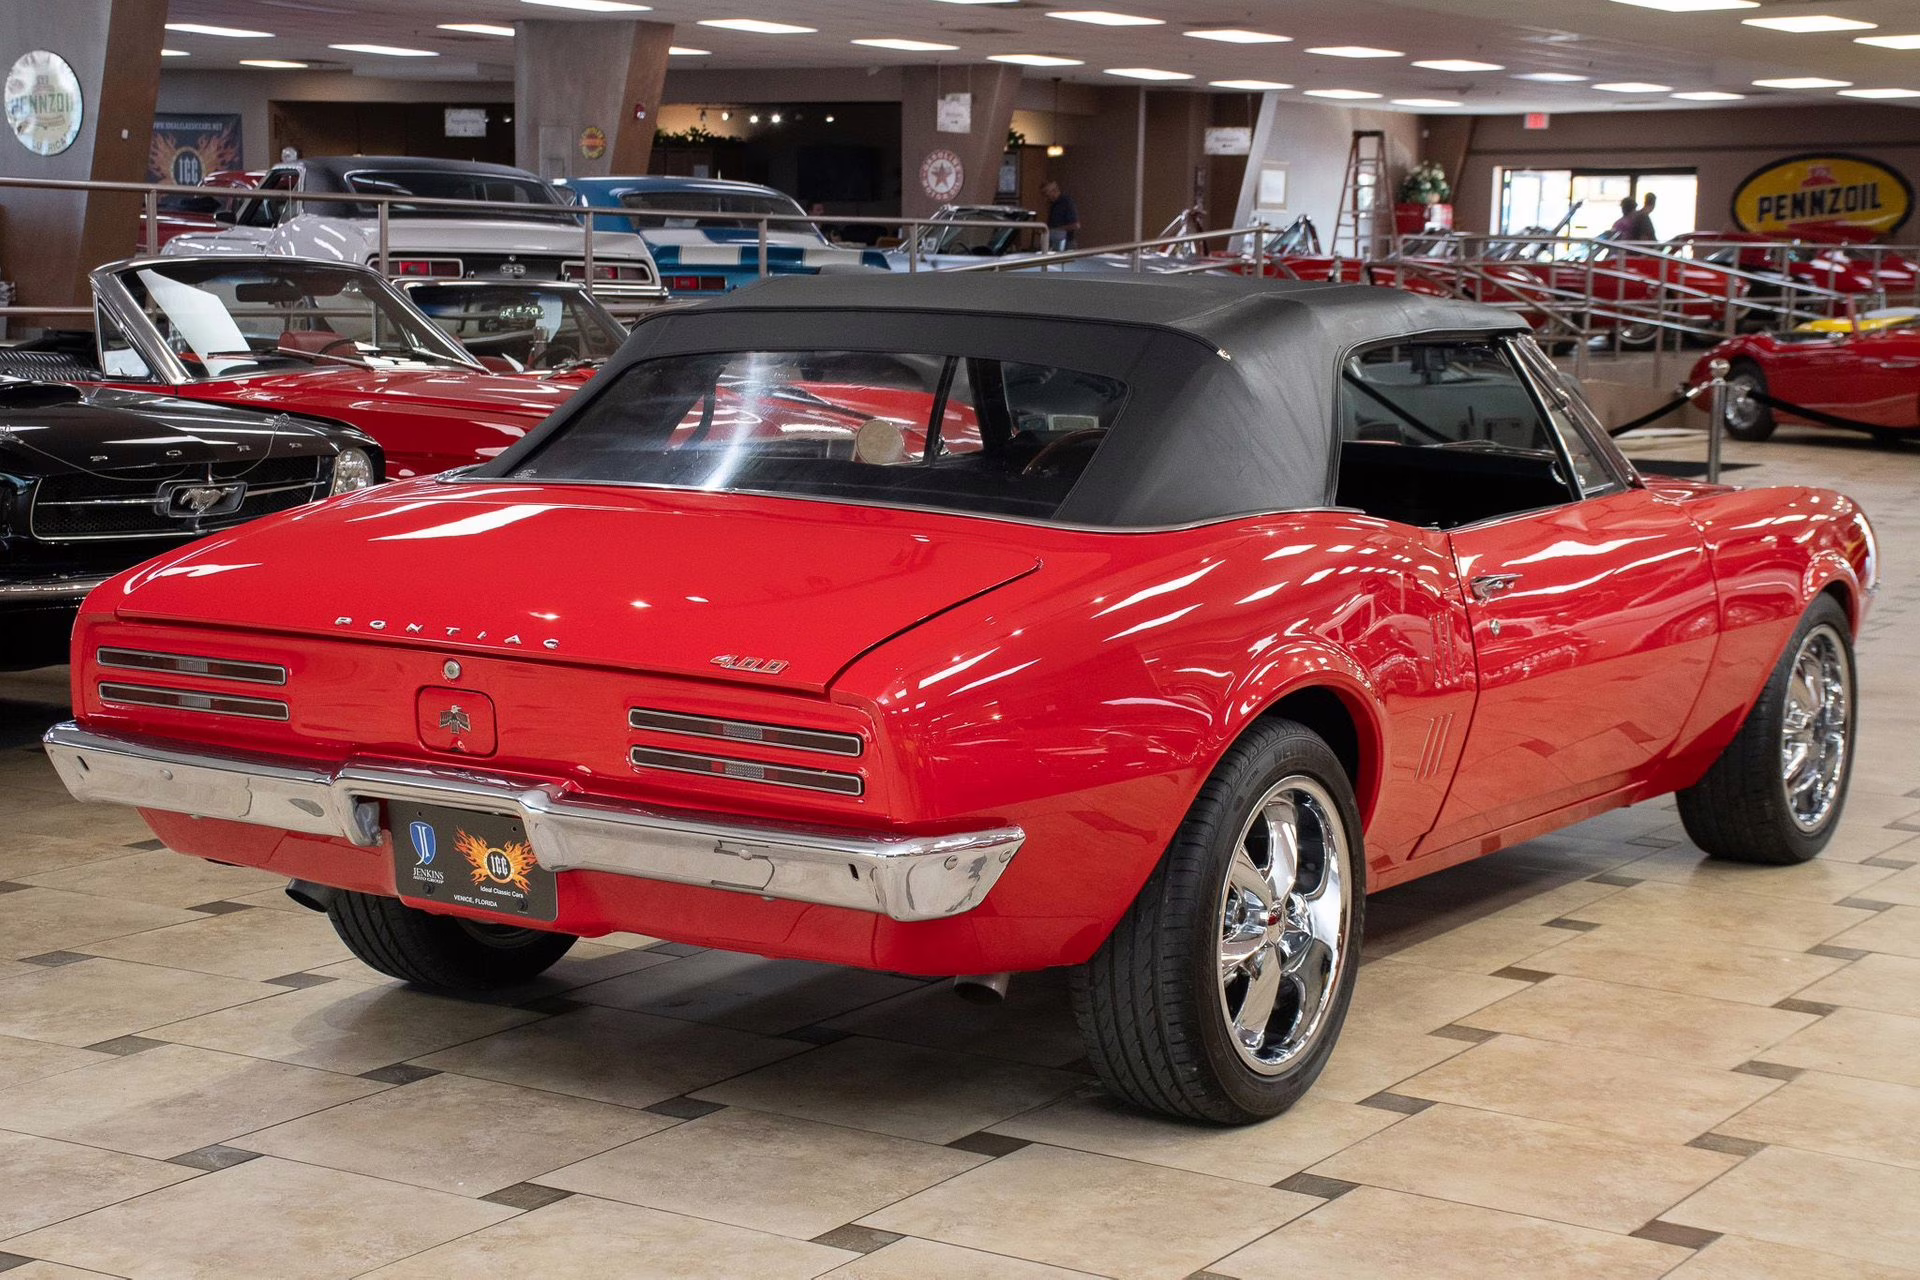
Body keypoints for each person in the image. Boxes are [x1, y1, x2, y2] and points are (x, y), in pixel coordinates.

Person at [1043, 180, 1080, 252]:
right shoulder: (1053, 205)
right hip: (1055, 243)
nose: (1045, 198)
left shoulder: (1066, 202)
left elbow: (1076, 225)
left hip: (1067, 244)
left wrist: (1056, 230)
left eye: (1046, 194)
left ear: (1054, 191)